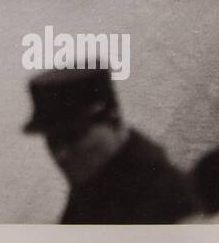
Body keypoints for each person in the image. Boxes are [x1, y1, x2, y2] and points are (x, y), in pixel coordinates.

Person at [24, 68, 197, 224]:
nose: (61, 155)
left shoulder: (164, 197)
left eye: (73, 136)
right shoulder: (94, 187)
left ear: (114, 120)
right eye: (52, 142)